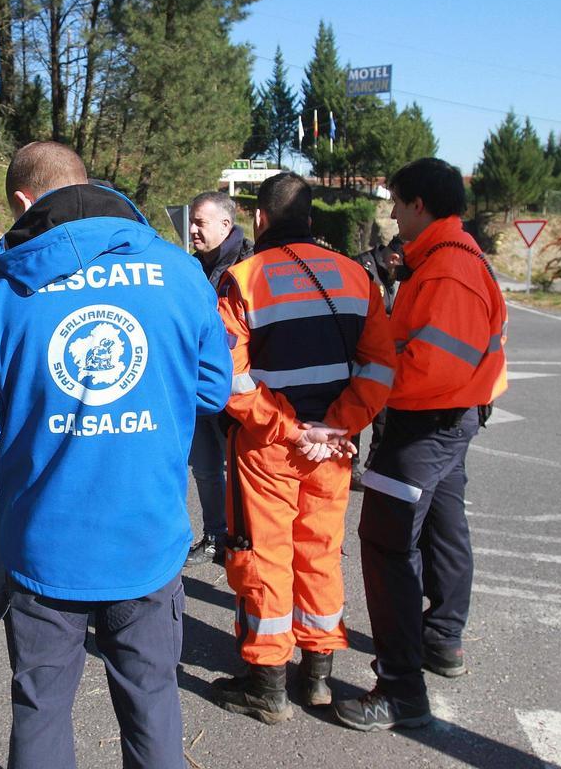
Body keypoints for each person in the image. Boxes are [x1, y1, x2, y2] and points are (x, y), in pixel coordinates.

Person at [0, 141, 232, 768]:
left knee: (41, 708)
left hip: (45, 544)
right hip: (146, 540)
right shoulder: (179, 271)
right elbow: (212, 389)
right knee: (153, 700)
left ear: (24, 200)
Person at [210, 172, 395, 724]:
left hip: (270, 446)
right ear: (312, 220)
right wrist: (337, 427)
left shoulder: (243, 278)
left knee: (263, 554)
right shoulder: (356, 278)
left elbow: (229, 376)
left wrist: (289, 430)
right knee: (319, 551)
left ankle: (267, 685)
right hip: (333, 449)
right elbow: (381, 366)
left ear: (260, 219)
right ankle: (316, 677)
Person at [333, 157, 508, 732]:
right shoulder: (447, 259)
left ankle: (401, 690)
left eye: (396, 202)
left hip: (423, 426)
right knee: (443, 526)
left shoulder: (446, 273)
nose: (390, 213)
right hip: (450, 423)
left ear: (418, 206)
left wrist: (365, 389)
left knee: (386, 545)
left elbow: (430, 368)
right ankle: (441, 639)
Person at [185, 191, 253, 566]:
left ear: (226, 226)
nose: (192, 229)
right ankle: (215, 536)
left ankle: (245, 538)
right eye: (192, 221)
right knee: (206, 468)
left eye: (200, 222)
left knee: (242, 471)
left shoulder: (250, 265)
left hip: (242, 394)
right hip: (199, 388)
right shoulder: (191, 269)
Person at [347, 236, 405, 488]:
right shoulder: (362, 269)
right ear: (394, 259)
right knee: (356, 411)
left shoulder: (394, 275)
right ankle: (350, 465)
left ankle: (376, 464)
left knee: (383, 411)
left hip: (384, 355)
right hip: (358, 352)